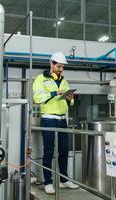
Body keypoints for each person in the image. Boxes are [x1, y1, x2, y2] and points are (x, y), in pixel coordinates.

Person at [33, 52, 79, 194]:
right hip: (48, 119)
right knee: (49, 151)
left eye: (63, 67)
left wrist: (69, 97)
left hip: (62, 119)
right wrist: (55, 93)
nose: (61, 69)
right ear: (51, 64)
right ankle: (48, 182)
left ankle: (64, 180)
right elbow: (37, 98)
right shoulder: (40, 79)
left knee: (64, 150)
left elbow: (70, 103)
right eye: (59, 66)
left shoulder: (64, 81)